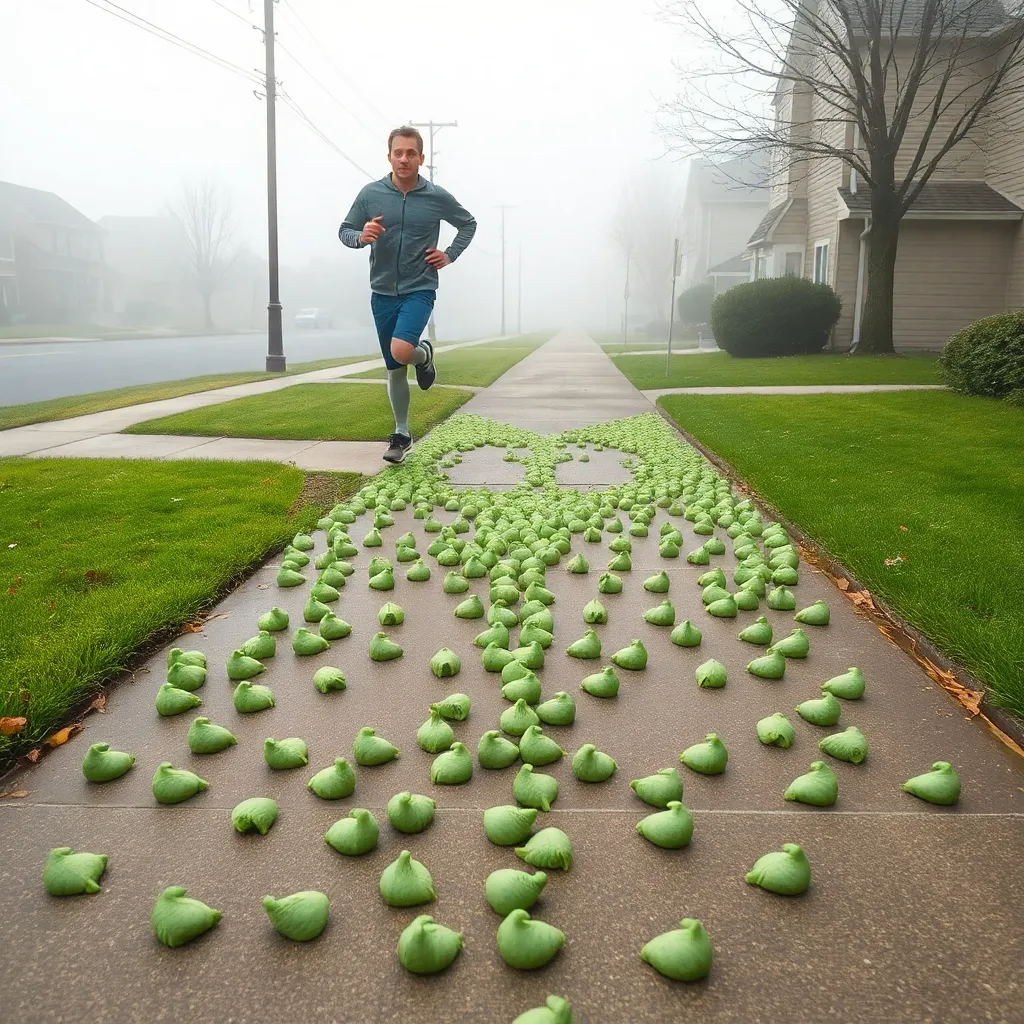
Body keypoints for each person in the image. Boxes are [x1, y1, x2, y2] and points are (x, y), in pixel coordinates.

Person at [339, 126, 477, 464]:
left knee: (401, 350)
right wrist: (362, 236)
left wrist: (449, 254)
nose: (404, 158)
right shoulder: (371, 194)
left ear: (421, 158)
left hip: (420, 287)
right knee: (394, 367)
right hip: (382, 291)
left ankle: (422, 354)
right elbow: (345, 230)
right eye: (398, 153)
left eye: (410, 153)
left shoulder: (436, 197)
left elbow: (468, 223)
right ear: (389, 156)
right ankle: (401, 434)